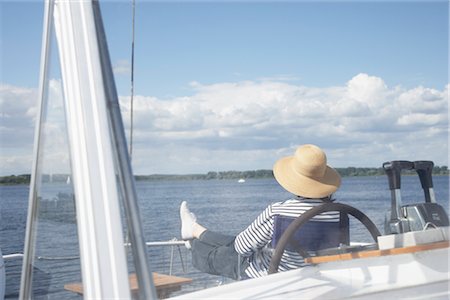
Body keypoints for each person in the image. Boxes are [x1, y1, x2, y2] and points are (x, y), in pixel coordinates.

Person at [179, 144, 341, 279]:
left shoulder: (279, 212)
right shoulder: (337, 214)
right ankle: (194, 228)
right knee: (236, 242)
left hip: (266, 274)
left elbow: (241, 248)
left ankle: (192, 241)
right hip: (308, 274)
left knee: (219, 254)